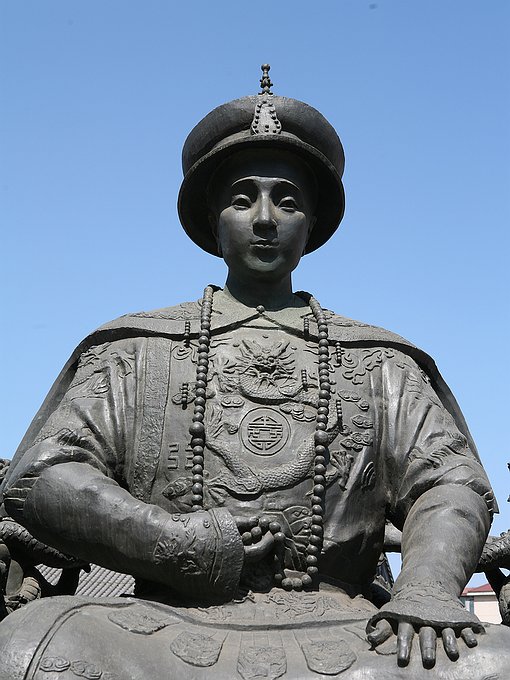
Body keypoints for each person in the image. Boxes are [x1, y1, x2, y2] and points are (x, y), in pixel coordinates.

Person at [0, 66, 509, 679]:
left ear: (312, 223)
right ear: (213, 217)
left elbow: (449, 483)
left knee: (493, 661)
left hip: (351, 631)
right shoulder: (136, 350)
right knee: (23, 647)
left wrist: (426, 587)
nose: (265, 218)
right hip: (159, 624)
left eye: (287, 201)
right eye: (242, 199)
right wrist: (176, 542)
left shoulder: (381, 361)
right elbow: (42, 476)